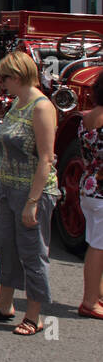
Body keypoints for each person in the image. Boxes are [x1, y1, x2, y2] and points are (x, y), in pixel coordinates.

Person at [0, 51, 59, 336]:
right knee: (7, 247)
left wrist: (32, 203)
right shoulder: (17, 104)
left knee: (33, 252)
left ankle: (34, 316)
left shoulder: (41, 107)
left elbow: (47, 158)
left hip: (32, 189)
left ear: (19, 75)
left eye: (5, 77)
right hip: (8, 185)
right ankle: (4, 305)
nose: (2, 83)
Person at [78, 70, 103, 320]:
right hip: (101, 191)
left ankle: (97, 294)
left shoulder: (86, 117)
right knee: (99, 245)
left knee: (96, 242)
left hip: (89, 184)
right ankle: (89, 301)